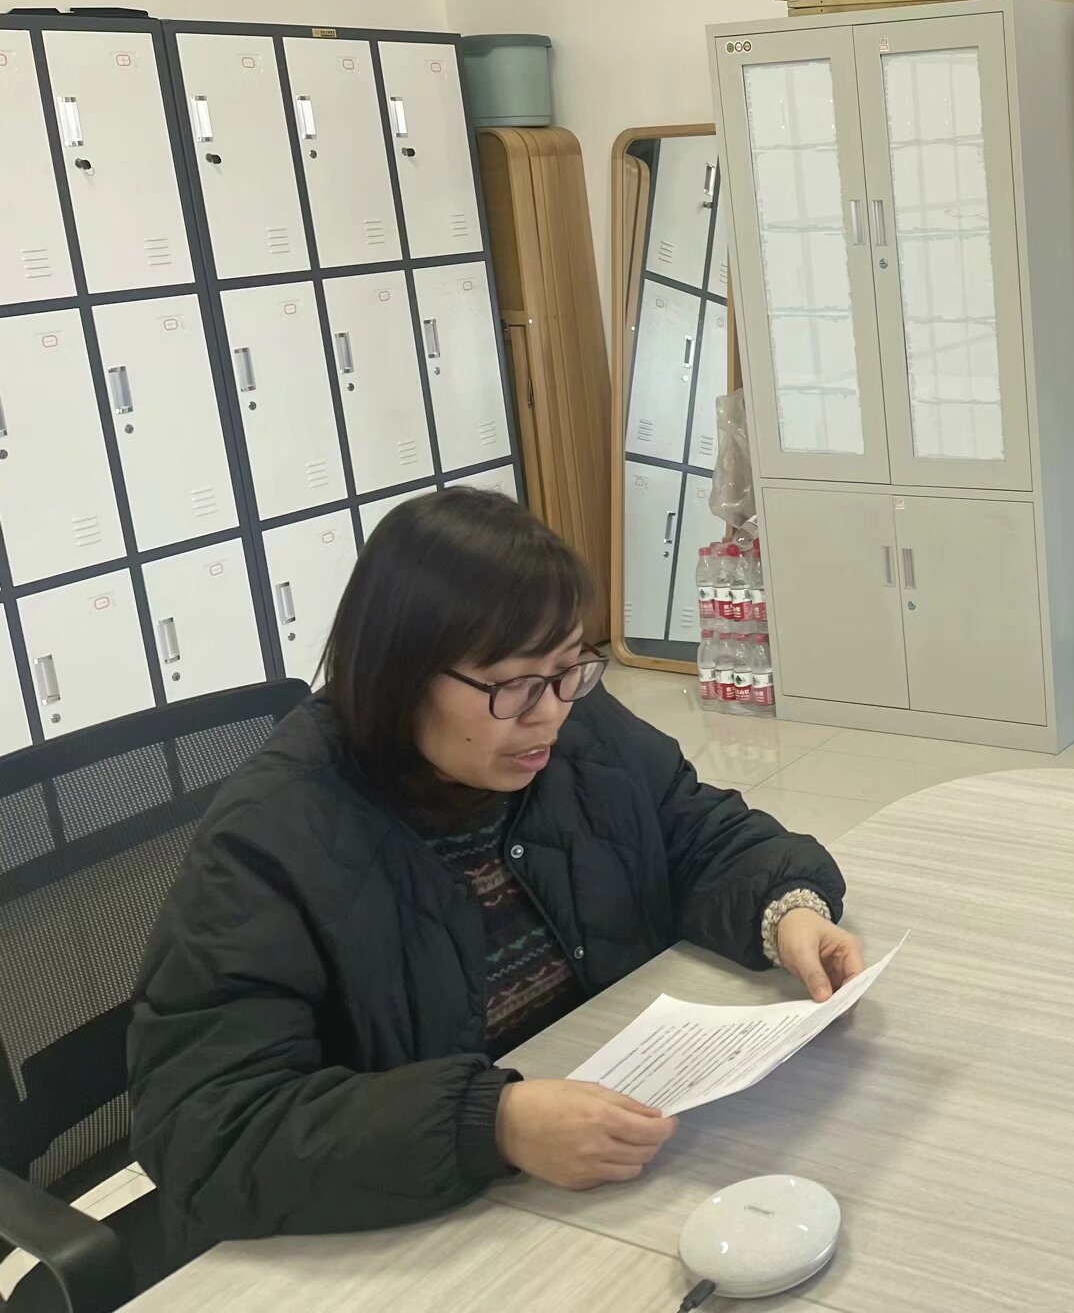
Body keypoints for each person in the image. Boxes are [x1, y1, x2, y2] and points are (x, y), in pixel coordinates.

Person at [128, 491, 861, 1255]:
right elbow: (208, 1128)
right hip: (414, 1233)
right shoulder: (272, 839)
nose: (549, 712)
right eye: (513, 684)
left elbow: (692, 827)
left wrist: (786, 910)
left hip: (606, 1164)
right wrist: (491, 1124)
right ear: (401, 676)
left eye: (568, 668)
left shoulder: (566, 726)